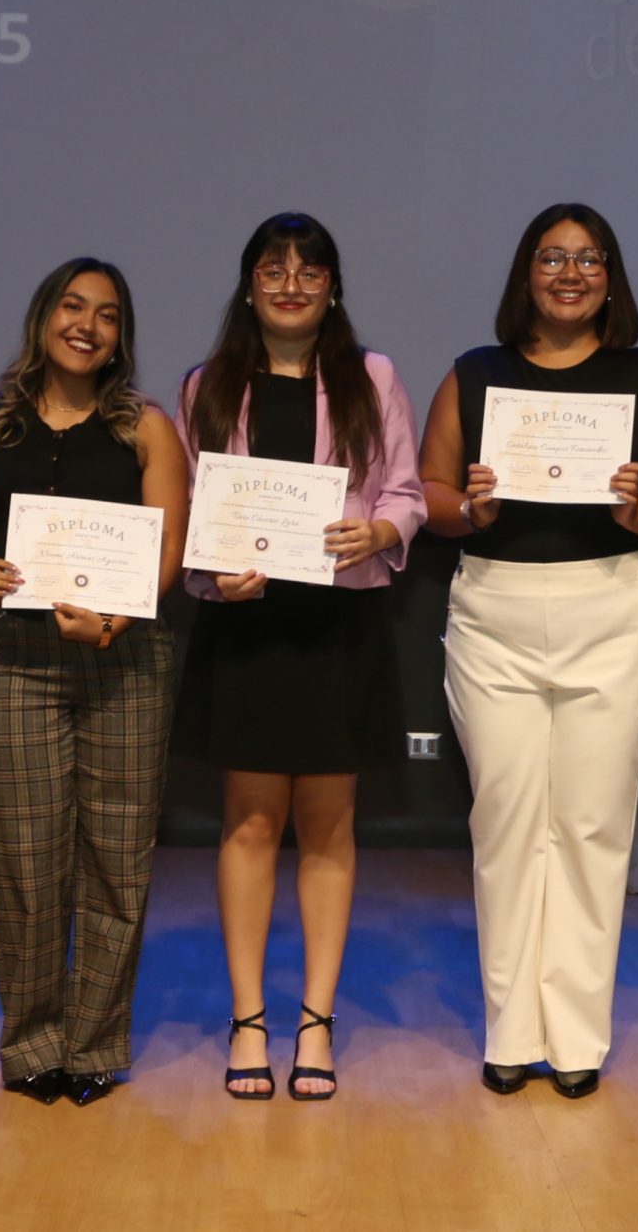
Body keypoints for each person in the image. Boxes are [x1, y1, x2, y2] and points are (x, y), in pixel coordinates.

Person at [418, 202, 638, 1099]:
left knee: (590, 824)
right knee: (506, 821)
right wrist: (469, 507)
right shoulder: (474, 373)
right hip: (496, 611)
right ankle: (511, 1031)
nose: (571, 272)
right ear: (525, 274)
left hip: (611, 607)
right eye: (553, 257)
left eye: (589, 259)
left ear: (611, 277)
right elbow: (428, 493)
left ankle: (577, 1038)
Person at [173, 213, 424, 1102]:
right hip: (250, 628)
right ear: (248, 284)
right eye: (273, 267)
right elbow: (195, 512)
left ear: (331, 285)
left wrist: (382, 527)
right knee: (248, 823)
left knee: (328, 825)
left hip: (337, 626)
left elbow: (406, 488)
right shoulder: (207, 384)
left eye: (309, 267)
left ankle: (315, 1022)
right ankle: (249, 1019)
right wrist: (212, 577)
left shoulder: (372, 376)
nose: (290, 281)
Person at [0, 258, 188, 1108]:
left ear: (122, 335)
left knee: (117, 857)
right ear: (43, 316)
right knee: (24, 856)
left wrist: (118, 620)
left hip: (125, 657)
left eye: (109, 314)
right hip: (20, 657)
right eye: (73, 306)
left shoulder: (146, 428)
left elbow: (167, 548)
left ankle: (93, 1044)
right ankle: (32, 1045)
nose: (87, 324)